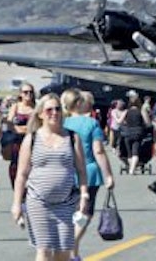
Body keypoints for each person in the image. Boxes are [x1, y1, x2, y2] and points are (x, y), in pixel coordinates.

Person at [11, 94, 90, 261]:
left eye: (57, 109)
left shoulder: (72, 138)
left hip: (66, 203)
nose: (54, 113)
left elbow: (81, 171)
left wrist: (84, 196)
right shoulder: (31, 139)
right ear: (40, 114)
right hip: (38, 202)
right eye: (49, 110)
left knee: (63, 252)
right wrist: (17, 204)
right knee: (44, 250)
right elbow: (22, 175)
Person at [61, 90, 115, 261]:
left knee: (68, 212)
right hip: (89, 171)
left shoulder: (63, 123)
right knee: (85, 214)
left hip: (66, 172)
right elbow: (98, 150)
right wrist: (108, 175)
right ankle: (72, 248)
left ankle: (71, 251)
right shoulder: (91, 124)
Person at [6, 83, 37, 188]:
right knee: (15, 167)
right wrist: (24, 129)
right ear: (20, 94)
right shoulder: (16, 107)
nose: (28, 94)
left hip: (33, 142)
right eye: (25, 92)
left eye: (30, 92)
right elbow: (10, 124)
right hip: (17, 142)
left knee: (31, 167)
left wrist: (22, 129)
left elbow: (38, 126)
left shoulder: (36, 107)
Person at [118, 93, 150, 175]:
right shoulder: (141, 111)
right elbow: (147, 123)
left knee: (129, 153)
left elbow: (119, 121)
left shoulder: (126, 111)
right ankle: (132, 170)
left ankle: (131, 168)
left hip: (127, 133)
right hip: (138, 132)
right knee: (135, 151)